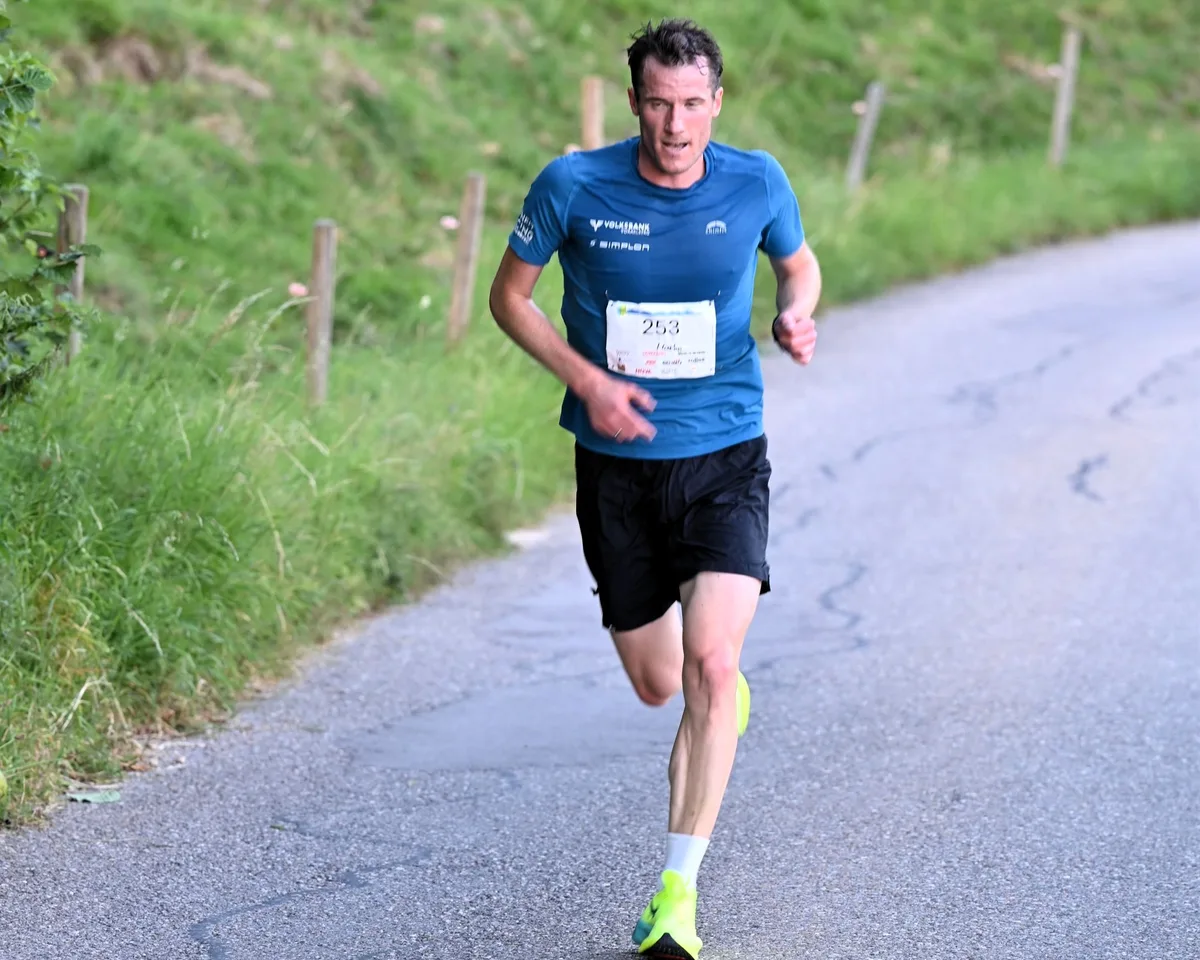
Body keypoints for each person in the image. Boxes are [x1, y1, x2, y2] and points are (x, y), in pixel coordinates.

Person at [488, 17, 821, 959]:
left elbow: (799, 267)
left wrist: (798, 314)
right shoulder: (573, 186)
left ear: (717, 103)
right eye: (658, 105)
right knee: (658, 683)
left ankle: (676, 897)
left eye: (691, 106)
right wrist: (584, 378)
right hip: (616, 468)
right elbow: (506, 297)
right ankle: (713, 696)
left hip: (724, 451)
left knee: (714, 666)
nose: (675, 126)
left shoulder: (756, 179)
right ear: (633, 100)